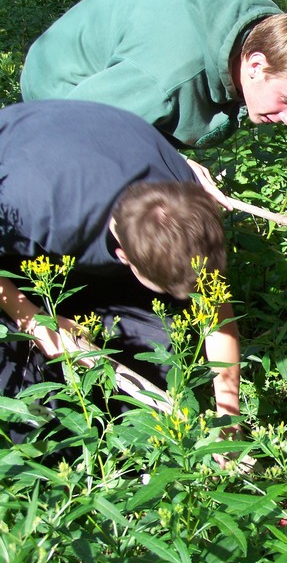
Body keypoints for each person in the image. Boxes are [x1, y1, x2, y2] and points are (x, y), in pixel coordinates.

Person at [0, 99, 240, 441]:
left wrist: (228, 420)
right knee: (27, 379)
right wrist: (34, 321)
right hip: (13, 211)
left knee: (159, 348)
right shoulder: (35, 205)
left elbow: (217, 312)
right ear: (123, 256)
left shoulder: (184, 199)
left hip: (79, 165)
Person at [20, 0, 287, 150]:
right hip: (60, 94)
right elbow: (68, 126)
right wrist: (161, 161)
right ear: (256, 65)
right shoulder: (167, 78)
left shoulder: (260, 32)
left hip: (122, 87)